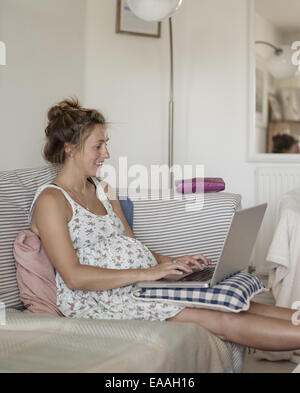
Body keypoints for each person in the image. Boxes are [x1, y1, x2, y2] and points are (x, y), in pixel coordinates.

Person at [30, 98, 300, 351]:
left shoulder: (104, 189)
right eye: (98, 146)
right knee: (224, 321)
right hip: (101, 299)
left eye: (106, 144)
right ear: (70, 148)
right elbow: (74, 276)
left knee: (243, 306)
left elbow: (130, 243)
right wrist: (145, 274)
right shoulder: (52, 201)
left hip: (139, 282)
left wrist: (172, 263)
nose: (107, 153)